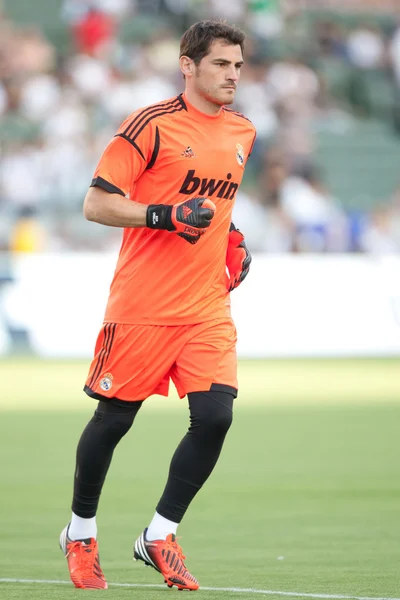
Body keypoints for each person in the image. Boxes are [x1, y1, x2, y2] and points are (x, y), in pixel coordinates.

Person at [59, 19, 256, 591]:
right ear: (187, 64)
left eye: (239, 66)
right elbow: (96, 204)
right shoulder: (150, 124)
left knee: (216, 416)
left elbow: (215, 206)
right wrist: (163, 215)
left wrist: (233, 239)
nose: (232, 76)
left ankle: (159, 534)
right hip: (143, 305)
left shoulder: (243, 130)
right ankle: (80, 531)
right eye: (221, 64)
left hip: (205, 307)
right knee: (114, 420)